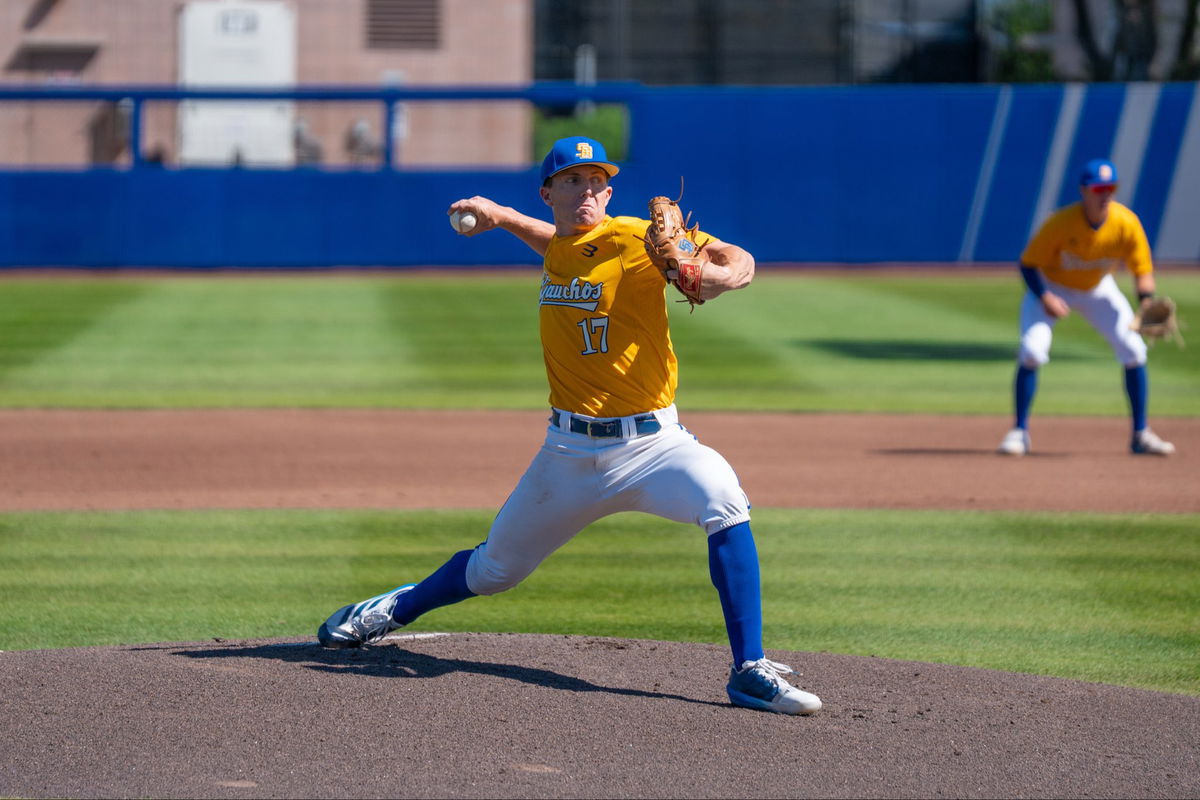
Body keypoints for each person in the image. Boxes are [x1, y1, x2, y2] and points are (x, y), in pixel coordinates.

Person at [316, 135, 822, 716]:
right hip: (568, 453)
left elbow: (740, 262)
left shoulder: (635, 236)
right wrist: (500, 215)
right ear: (549, 192)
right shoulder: (562, 243)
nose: (588, 190)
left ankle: (749, 670)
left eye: (597, 181)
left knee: (724, 500)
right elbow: (551, 239)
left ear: (610, 192)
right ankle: (391, 611)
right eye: (574, 180)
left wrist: (715, 276)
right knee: (494, 570)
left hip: (656, 446)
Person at [997, 158, 1175, 457]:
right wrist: (1045, 297)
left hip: (1097, 288)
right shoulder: (1060, 223)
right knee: (1032, 350)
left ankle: (1141, 434)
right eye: (1098, 188)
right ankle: (1019, 432)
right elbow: (1028, 265)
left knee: (1134, 351)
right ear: (1084, 191)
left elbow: (1142, 269)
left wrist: (1146, 302)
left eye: (1110, 187)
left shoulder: (1126, 223)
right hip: (1052, 286)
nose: (1105, 193)